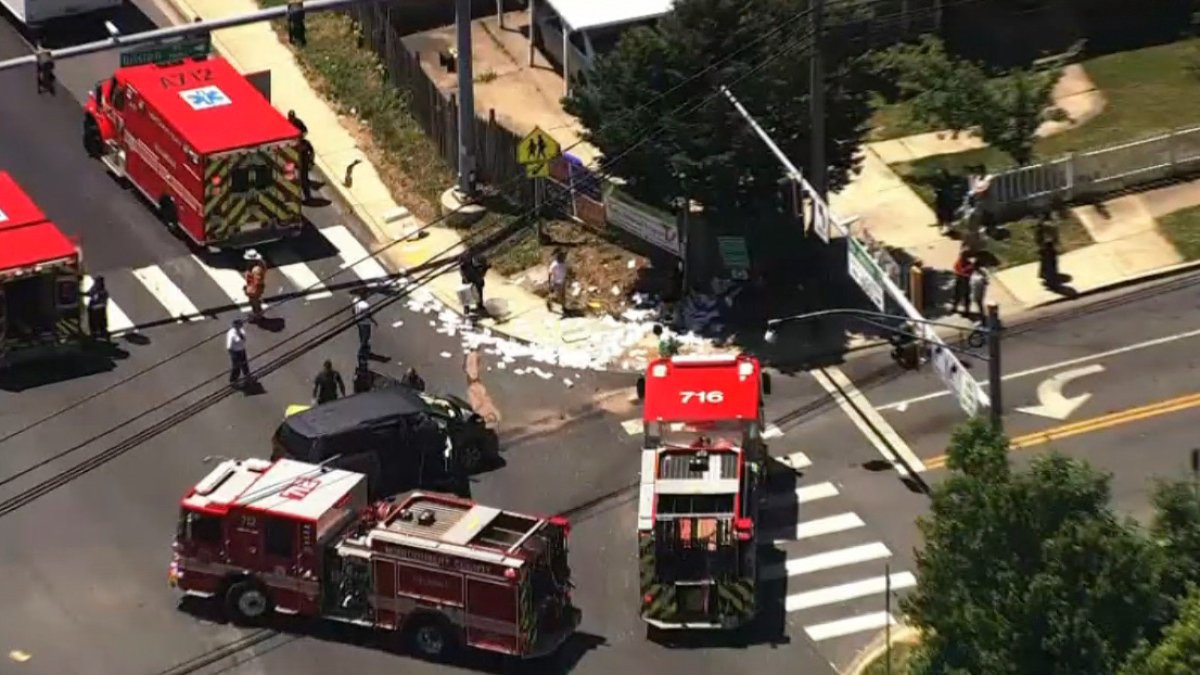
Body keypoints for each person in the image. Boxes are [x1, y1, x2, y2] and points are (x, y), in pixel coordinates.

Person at [353, 289, 377, 362]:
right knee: (366, 337)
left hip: (358, 321)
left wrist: (355, 317)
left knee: (361, 335)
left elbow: (353, 310)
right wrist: (374, 322)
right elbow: (368, 315)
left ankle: (364, 347)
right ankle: (362, 351)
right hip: (365, 323)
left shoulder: (355, 301)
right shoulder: (365, 305)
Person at [226, 318, 251, 388]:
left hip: (241, 349)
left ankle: (247, 376)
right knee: (236, 367)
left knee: (244, 363)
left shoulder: (241, 331)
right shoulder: (232, 334)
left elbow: (243, 339)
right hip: (235, 351)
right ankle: (233, 380)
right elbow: (230, 345)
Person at [243, 249, 267, 322]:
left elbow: (257, 282)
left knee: (254, 302)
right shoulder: (258, 265)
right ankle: (257, 314)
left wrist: (249, 290)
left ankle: (257, 315)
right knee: (254, 301)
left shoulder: (256, 269)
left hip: (254, 289)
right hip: (254, 288)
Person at [1036, 214, 1060, 286]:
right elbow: (1054, 236)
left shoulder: (1041, 226)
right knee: (1051, 262)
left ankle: (1045, 274)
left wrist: (1040, 245)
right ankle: (1051, 276)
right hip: (1048, 245)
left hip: (1045, 245)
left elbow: (1038, 238)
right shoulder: (1049, 225)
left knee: (1045, 261)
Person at [86, 275, 109, 341]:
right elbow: (90, 293)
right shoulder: (95, 288)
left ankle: (98, 334)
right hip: (97, 309)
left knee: (98, 323)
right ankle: (99, 333)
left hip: (96, 310)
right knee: (98, 323)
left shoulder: (101, 290)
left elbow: (94, 296)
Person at [952, 250, 975, 316]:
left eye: (963, 256)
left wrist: (963, 273)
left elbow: (970, 273)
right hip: (959, 281)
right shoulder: (959, 262)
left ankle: (966, 311)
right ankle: (954, 307)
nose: (961, 257)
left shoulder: (969, 264)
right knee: (956, 295)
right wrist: (961, 273)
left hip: (966, 282)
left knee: (966, 297)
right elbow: (955, 268)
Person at [546, 248, 568, 314]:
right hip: (556, 282)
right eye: (562, 257)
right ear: (559, 257)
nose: (564, 258)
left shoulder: (563, 263)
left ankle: (564, 308)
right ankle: (549, 301)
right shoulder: (554, 265)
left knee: (563, 296)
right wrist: (550, 283)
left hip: (562, 282)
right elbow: (550, 273)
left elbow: (564, 272)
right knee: (556, 296)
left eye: (564, 257)